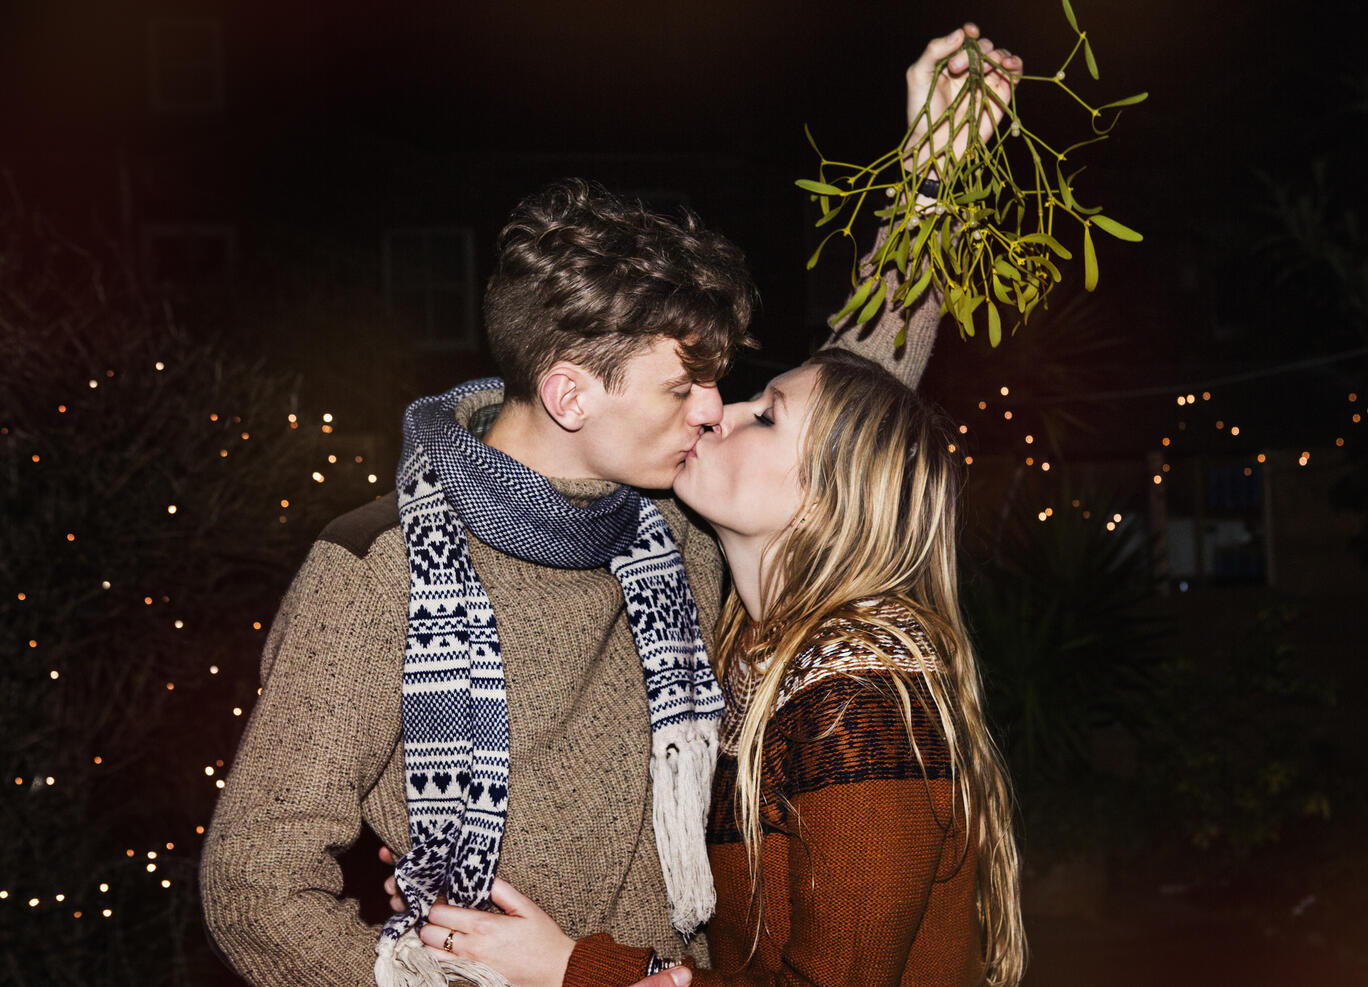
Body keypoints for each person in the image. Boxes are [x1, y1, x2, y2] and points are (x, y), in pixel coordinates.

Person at [200, 23, 1018, 987]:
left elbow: (840, 429)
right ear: (571, 394)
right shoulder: (376, 573)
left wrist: (934, 178)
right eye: (684, 389)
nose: (714, 411)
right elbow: (253, 881)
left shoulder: (675, 531)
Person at [394, 348, 1027, 986]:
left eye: (767, 417)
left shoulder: (862, 700)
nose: (721, 411)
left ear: (827, 499)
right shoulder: (750, 657)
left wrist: (572, 969)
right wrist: (451, 872)